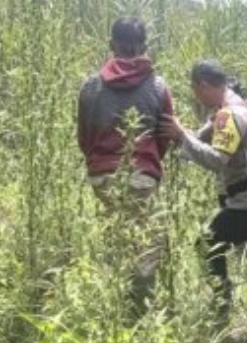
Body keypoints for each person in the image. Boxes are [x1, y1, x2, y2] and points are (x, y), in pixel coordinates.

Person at [159, 60, 247, 321]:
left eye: (196, 90)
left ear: (204, 85)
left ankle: (223, 304)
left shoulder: (228, 115)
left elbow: (216, 160)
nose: (197, 96)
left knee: (208, 244)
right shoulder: (234, 107)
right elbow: (201, 138)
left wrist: (182, 135)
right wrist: (185, 137)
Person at [76, 16, 174, 319]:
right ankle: (138, 317)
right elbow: (165, 136)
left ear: (111, 45)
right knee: (145, 247)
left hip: (101, 175)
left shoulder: (90, 86)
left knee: (114, 237)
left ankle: (112, 311)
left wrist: (101, 161)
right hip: (142, 174)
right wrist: (147, 164)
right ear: (143, 47)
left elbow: (84, 136)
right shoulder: (158, 87)